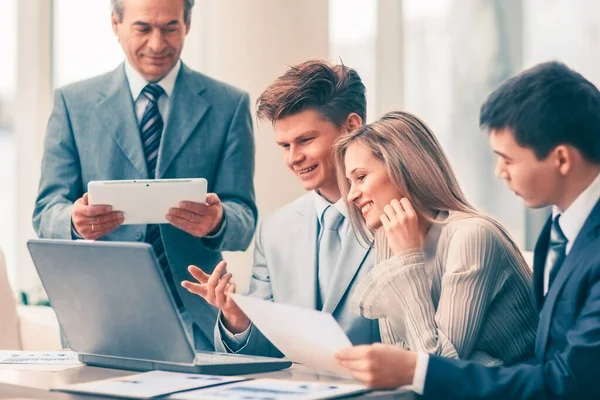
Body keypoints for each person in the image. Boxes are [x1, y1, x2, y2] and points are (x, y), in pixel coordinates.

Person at [335, 61, 600, 399]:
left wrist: (407, 264)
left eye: (509, 159)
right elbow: (409, 361)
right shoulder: (557, 229)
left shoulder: (472, 236)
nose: (499, 173)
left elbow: (430, 366)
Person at [32, 0, 256, 351]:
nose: (157, 43)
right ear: (115, 24)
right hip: (101, 315)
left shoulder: (229, 105)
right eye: (143, 28)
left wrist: (218, 220)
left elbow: (244, 217)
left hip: (197, 313)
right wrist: (74, 221)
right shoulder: (73, 104)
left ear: (188, 24)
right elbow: (46, 211)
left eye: (170, 27)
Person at [182, 60, 380, 356]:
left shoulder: (397, 219)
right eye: (284, 146)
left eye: (305, 140)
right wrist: (237, 318)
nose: (294, 158)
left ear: (351, 126)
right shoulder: (274, 230)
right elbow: (267, 352)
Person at [333, 111, 536, 367]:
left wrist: (408, 260)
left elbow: (436, 368)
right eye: (350, 182)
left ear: (404, 169)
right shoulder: (390, 237)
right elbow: (400, 356)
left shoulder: (471, 236)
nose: (351, 195)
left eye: (361, 177)